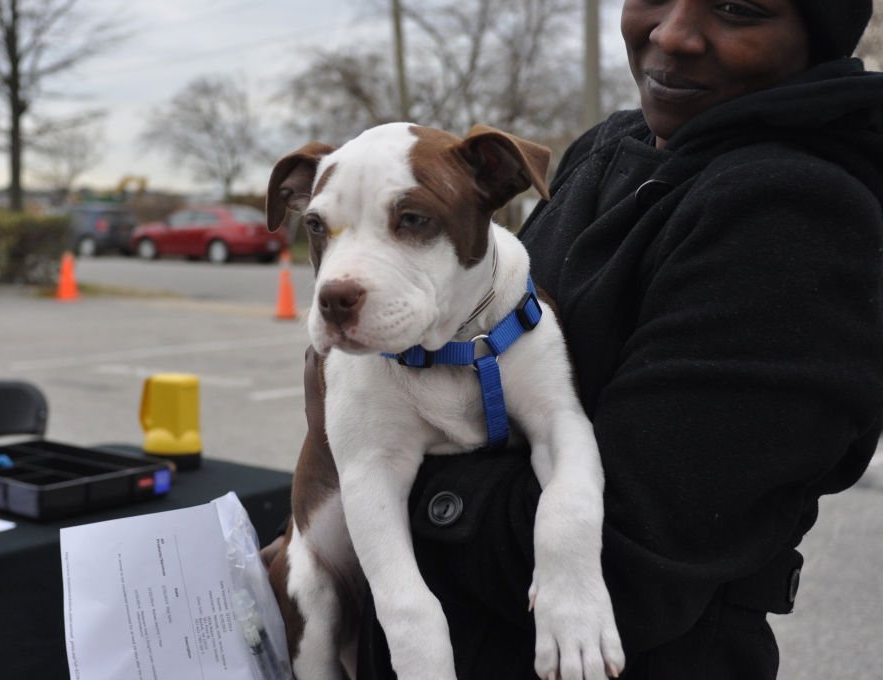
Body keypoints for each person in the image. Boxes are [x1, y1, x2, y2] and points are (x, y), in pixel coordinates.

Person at [351, 0, 883, 678]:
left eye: (740, 8)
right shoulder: (608, 150)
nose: (672, 33)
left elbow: (630, 562)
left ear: (815, 34)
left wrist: (376, 476)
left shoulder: (794, 216)